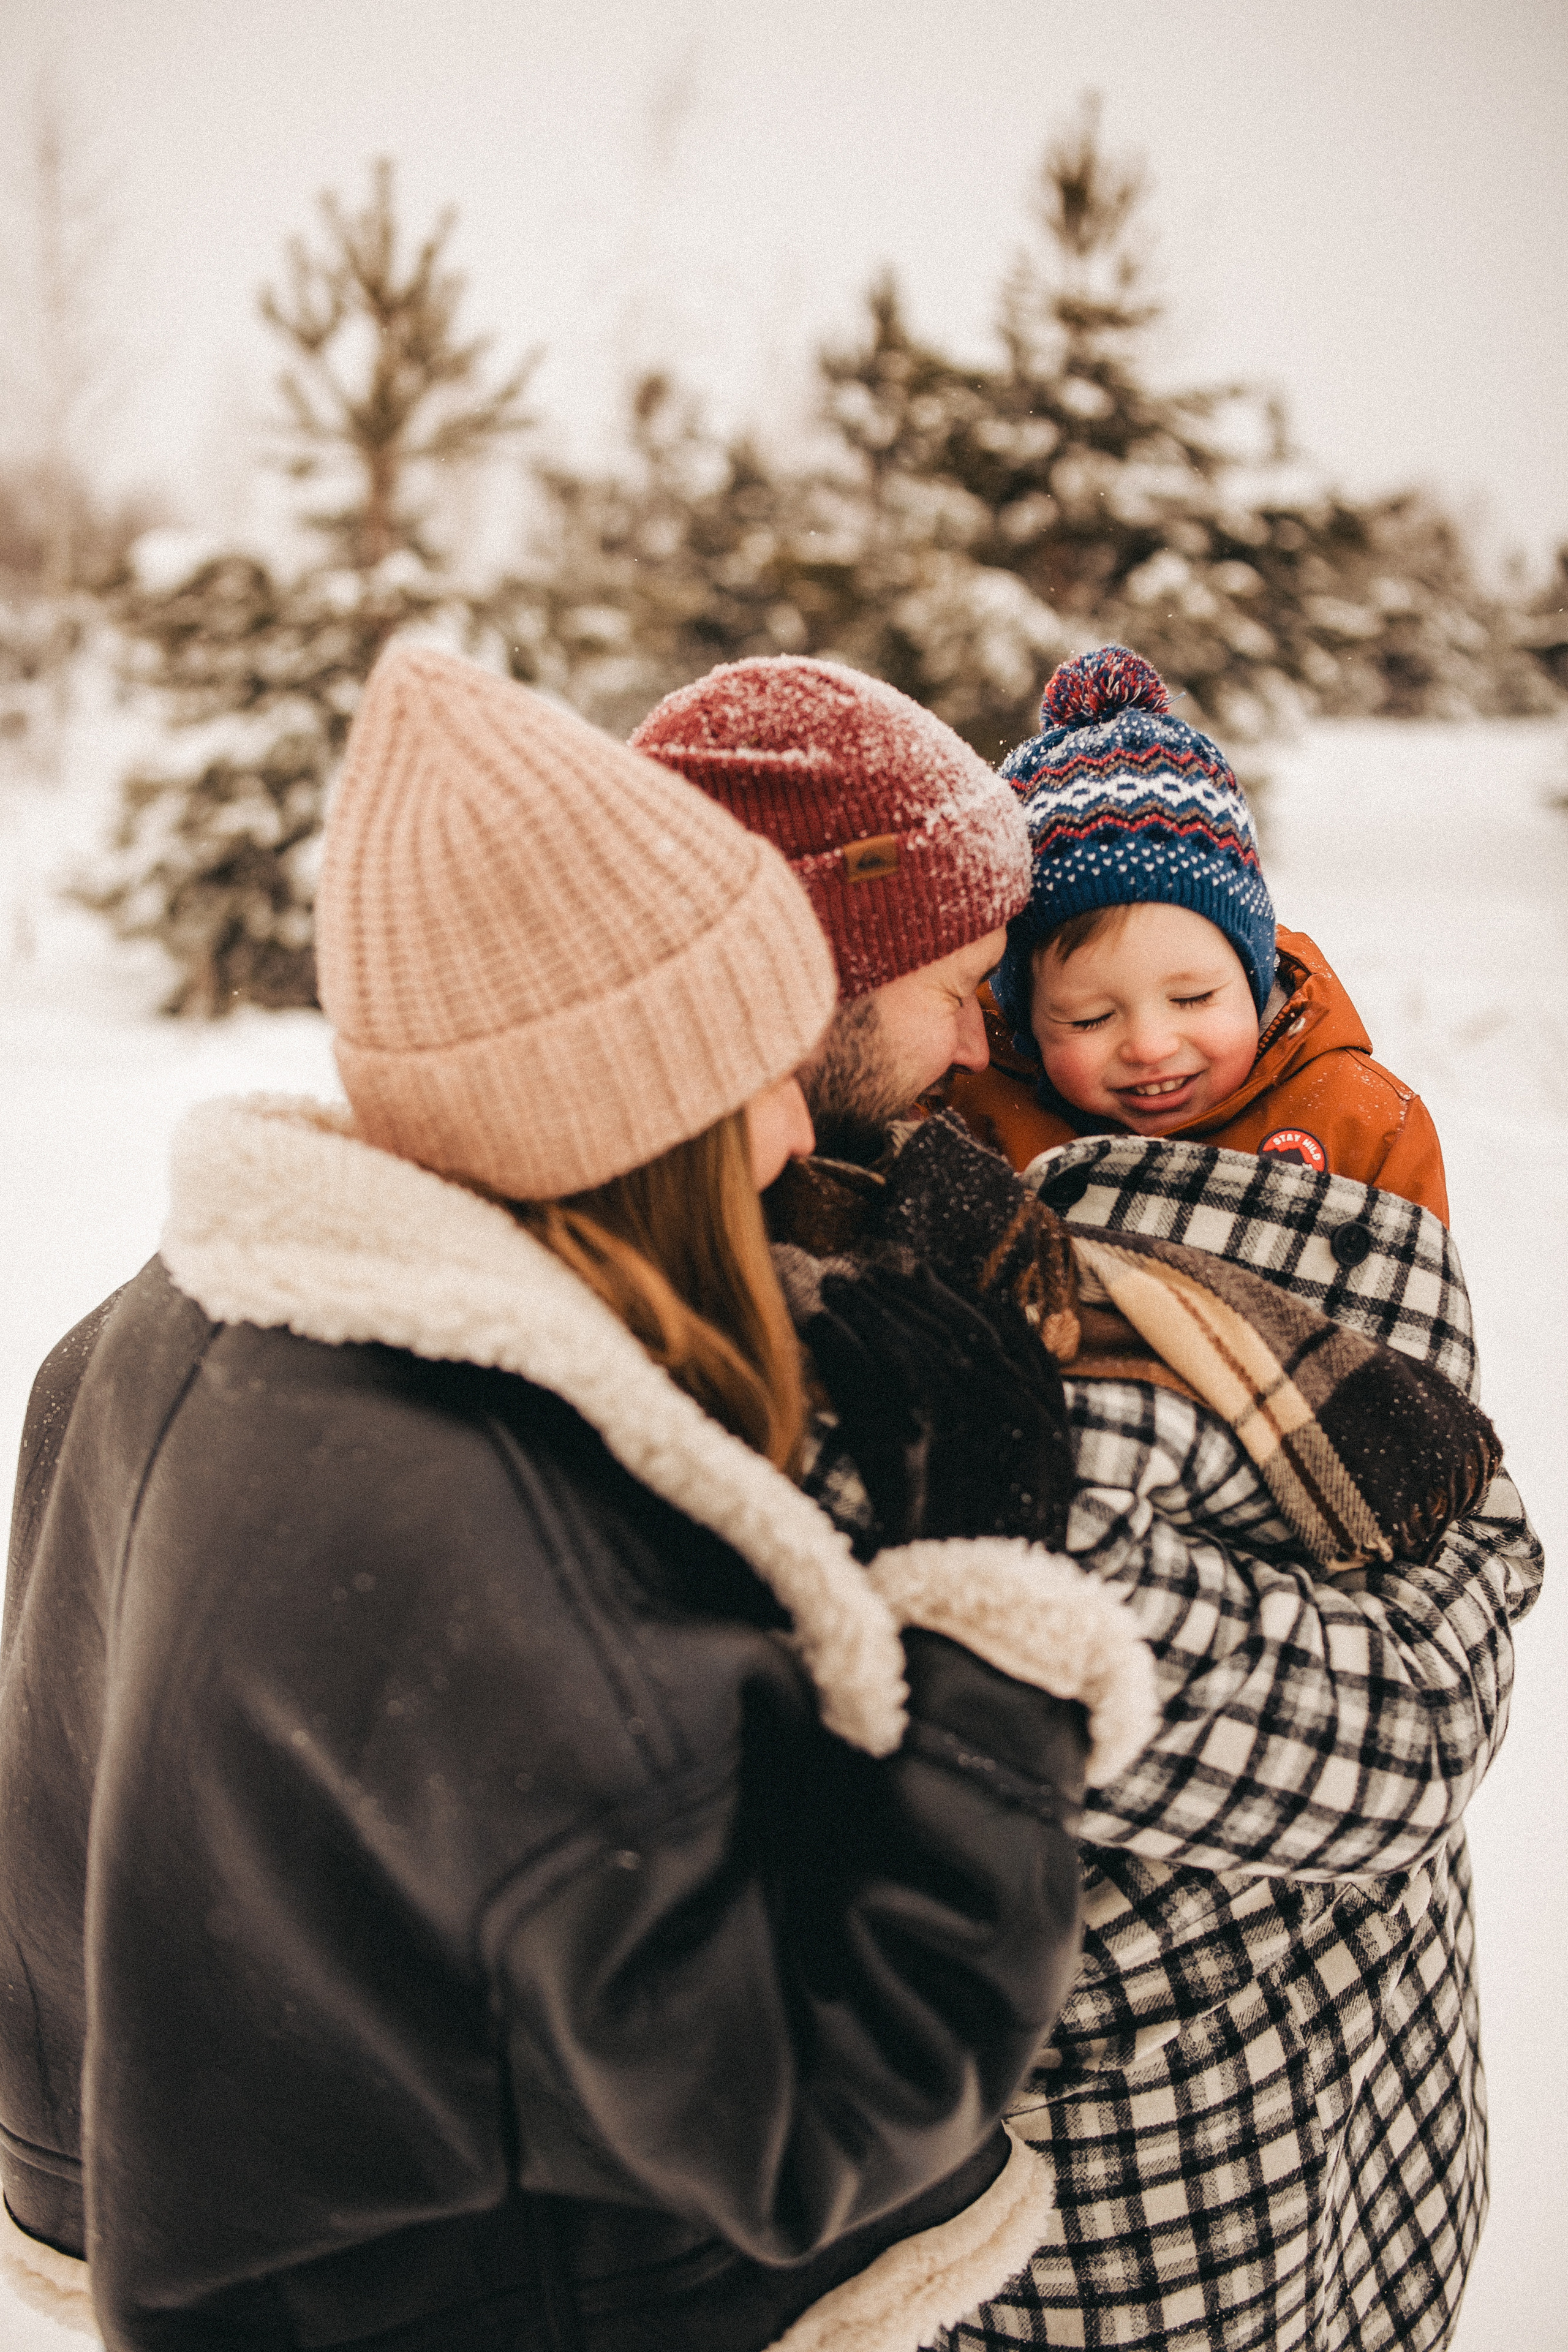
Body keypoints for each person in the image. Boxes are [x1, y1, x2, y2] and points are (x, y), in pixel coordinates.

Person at [0, 647, 1159, 2352]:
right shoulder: (493, 1527)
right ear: (636, 1106)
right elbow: (825, 2110)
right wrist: (988, 1602)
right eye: (756, 1073)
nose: (793, 1137)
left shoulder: (148, 1335)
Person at [632, 650, 1544, 2352]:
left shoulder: (925, 1180)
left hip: (1342, 2101)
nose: (985, 1036)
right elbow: (1402, 1723)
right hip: (1159, 2180)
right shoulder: (846, 1356)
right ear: (804, 995)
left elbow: (1439, 1476)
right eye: (960, 982)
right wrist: (1450, 1559)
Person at [950, 644, 1450, 1221]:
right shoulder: (968, 1123)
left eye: (1193, 998)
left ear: (1254, 973)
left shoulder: (1361, 1129)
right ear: (1025, 1017)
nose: (1150, 1047)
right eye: (1089, 1018)